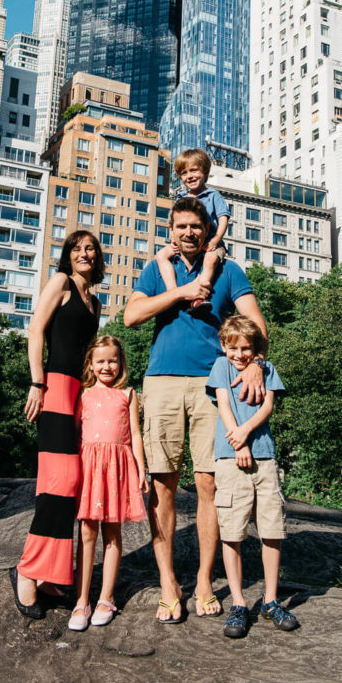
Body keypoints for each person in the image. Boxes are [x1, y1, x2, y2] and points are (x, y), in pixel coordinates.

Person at [124, 196, 268, 623]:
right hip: (163, 381)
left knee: (209, 484)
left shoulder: (228, 270)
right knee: (162, 484)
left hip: (213, 386)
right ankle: (169, 582)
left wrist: (257, 364)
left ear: (208, 229)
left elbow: (257, 325)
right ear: (171, 230)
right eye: (181, 226)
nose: (188, 232)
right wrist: (180, 292)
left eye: (196, 226)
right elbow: (131, 315)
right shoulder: (157, 269)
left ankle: (204, 579)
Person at [9, 231, 103, 620]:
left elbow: (90, 358)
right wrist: (37, 382)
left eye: (90, 249)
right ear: (67, 256)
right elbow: (35, 331)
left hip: (81, 395)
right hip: (56, 391)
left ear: (98, 259)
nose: (84, 254)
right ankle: (28, 571)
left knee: (73, 486)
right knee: (58, 483)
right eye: (77, 249)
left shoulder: (95, 303)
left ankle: (51, 575)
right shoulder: (60, 283)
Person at [206, 315, 298, 639]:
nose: (240, 354)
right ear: (224, 346)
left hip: (263, 455)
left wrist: (246, 433)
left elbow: (267, 406)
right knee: (232, 532)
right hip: (230, 456)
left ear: (255, 347)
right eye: (234, 348)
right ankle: (239, 603)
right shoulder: (220, 367)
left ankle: (271, 600)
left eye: (247, 348)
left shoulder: (267, 368)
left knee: (272, 529)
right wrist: (237, 439)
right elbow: (224, 406)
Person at [68, 335, 149, 631]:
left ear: (121, 362)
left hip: (118, 468)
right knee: (87, 531)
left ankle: (106, 597)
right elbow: (75, 433)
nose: (107, 366)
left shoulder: (128, 394)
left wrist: (141, 469)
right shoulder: (84, 394)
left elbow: (136, 435)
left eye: (112, 360)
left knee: (112, 532)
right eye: (100, 361)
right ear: (90, 363)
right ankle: (81, 600)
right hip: (90, 468)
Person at [156, 149, 229, 310]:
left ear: (205, 171)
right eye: (184, 173)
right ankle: (173, 292)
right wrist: (173, 239)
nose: (189, 176)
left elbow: (224, 219)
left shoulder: (213, 195)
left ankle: (200, 294)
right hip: (186, 244)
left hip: (210, 244)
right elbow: (172, 222)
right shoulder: (180, 197)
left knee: (210, 260)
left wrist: (215, 240)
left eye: (194, 170)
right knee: (161, 255)